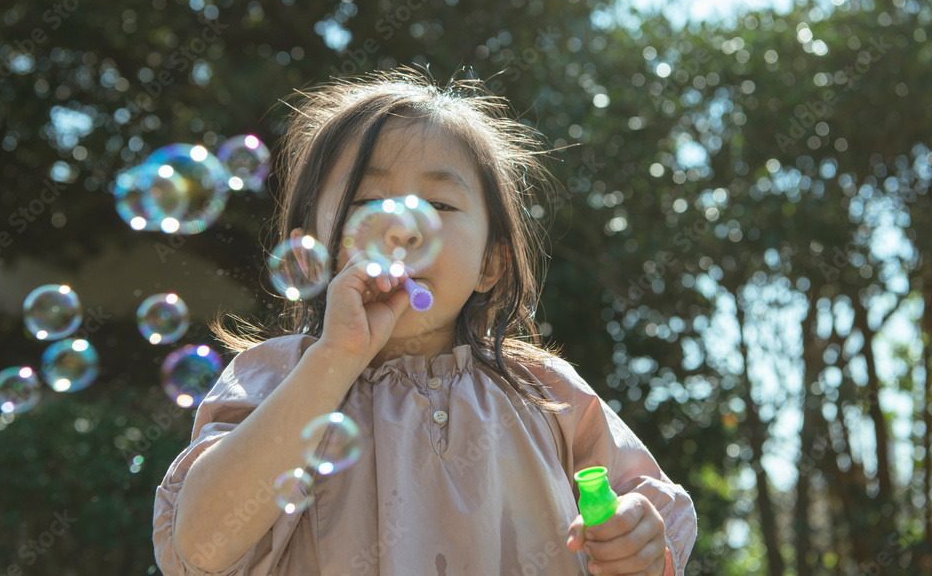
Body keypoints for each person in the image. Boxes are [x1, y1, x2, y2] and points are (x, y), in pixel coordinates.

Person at [153, 67, 697, 575]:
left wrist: (637, 538)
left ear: (491, 263)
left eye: (438, 205)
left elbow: (640, 510)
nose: (404, 229)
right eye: (367, 200)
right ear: (312, 252)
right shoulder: (275, 379)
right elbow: (202, 545)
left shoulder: (547, 392)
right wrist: (335, 358)